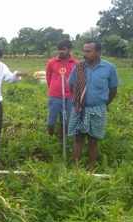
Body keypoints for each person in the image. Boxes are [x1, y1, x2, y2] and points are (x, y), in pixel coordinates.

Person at [68, 40, 118, 170]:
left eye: (88, 51)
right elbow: (71, 85)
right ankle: (76, 168)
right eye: (84, 51)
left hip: (98, 109)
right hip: (79, 108)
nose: (85, 54)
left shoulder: (109, 68)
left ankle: (91, 168)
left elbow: (113, 90)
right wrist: (80, 100)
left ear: (98, 52)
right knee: (78, 138)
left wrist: (104, 103)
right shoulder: (79, 67)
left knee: (93, 140)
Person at [46, 40, 78, 137]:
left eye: (63, 49)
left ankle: (62, 137)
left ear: (69, 50)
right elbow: (48, 78)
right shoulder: (52, 62)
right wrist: (54, 88)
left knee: (67, 119)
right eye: (59, 49)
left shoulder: (75, 63)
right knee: (51, 120)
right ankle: (50, 135)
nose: (60, 52)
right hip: (55, 96)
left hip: (70, 96)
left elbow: (77, 80)